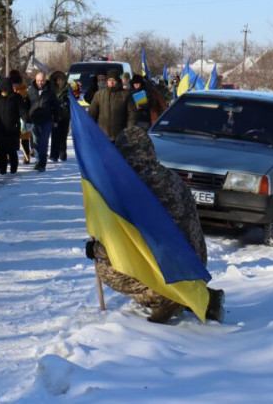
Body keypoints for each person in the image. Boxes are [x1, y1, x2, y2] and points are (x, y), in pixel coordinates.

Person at [85, 127, 225, 323]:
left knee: (107, 269)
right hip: (194, 262)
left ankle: (162, 297)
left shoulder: (131, 186)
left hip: (169, 263)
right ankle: (200, 297)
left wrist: (98, 250)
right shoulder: (170, 176)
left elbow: (125, 237)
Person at [88, 69, 138, 141]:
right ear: (107, 81)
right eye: (109, 80)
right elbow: (92, 113)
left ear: (118, 81)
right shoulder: (99, 94)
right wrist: (92, 130)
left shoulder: (126, 94)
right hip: (102, 135)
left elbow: (132, 114)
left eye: (114, 80)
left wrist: (129, 130)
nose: (111, 82)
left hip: (121, 135)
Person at [24, 71, 59, 172]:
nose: (40, 82)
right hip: (34, 119)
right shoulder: (30, 91)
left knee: (44, 142)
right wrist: (27, 118)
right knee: (35, 142)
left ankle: (42, 163)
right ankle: (38, 161)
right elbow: (27, 106)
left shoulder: (50, 92)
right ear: (36, 80)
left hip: (47, 120)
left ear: (45, 80)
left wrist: (56, 120)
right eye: (39, 80)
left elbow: (56, 107)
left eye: (42, 80)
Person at [0, 78, 26, 174]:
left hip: (13, 128)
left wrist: (25, 120)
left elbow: (22, 110)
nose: (4, 91)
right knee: (0, 150)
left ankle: (13, 167)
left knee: (12, 149)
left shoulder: (16, 97)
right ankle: (0, 168)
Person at [9, 70, 31, 164]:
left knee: (24, 138)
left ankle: (26, 156)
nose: (14, 85)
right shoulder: (8, 91)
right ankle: (10, 156)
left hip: (23, 117)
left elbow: (28, 104)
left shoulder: (25, 92)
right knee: (11, 138)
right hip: (11, 117)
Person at [49, 70, 71, 162]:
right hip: (54, 115)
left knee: (63, 136)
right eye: (57, 80)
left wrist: (66, 101)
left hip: (65, 115)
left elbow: (74, 98)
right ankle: (54, 154)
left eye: (60, 80)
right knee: (55, 135)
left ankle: (63, 153)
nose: (58, 81)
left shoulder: (68, 89)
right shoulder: (51, 89)